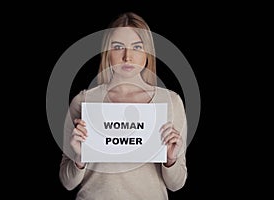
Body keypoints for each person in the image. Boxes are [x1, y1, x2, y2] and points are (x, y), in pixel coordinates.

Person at [59, 12, 187, 200]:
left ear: (147, 52)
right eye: (118, 47)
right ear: (107, 51)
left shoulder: (170, 102)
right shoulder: (84, 101)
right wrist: (79, 158)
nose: (128, 57)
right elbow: (67, 182)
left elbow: (176, 184)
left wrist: (170, 159)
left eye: (137, 47)